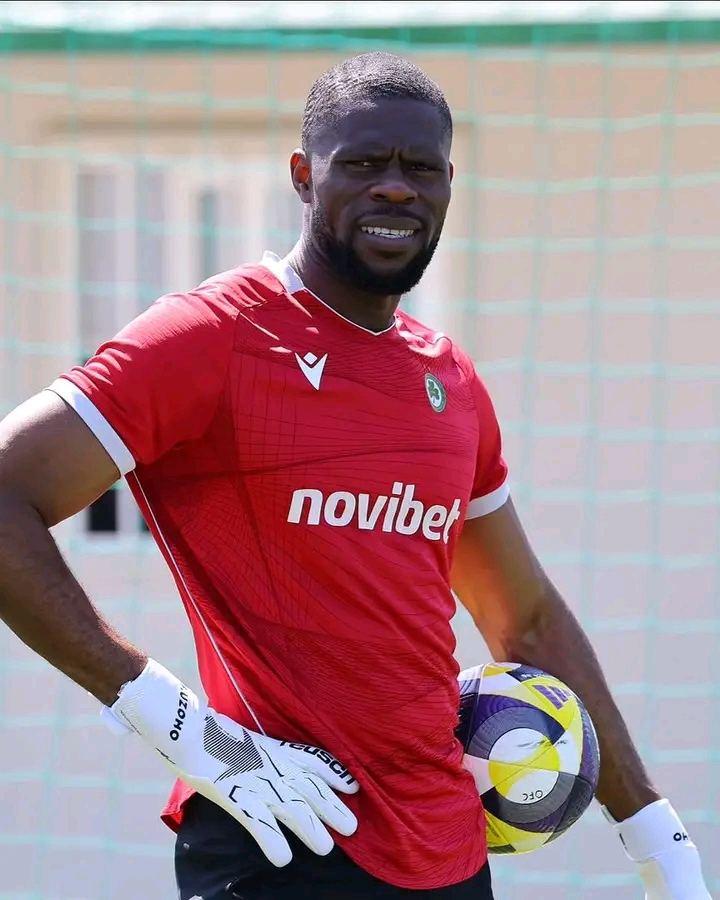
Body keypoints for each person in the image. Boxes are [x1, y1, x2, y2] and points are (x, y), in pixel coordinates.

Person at [0, 52, 712, 900]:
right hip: (279, 833)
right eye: (364, 163)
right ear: (303, 176)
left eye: (419, 168)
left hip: (450, 853)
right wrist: (178, 726)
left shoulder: (450, 384)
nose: (396, 189)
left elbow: (524, 620)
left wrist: (656, 838)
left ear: (450, 181)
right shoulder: (215, 334)